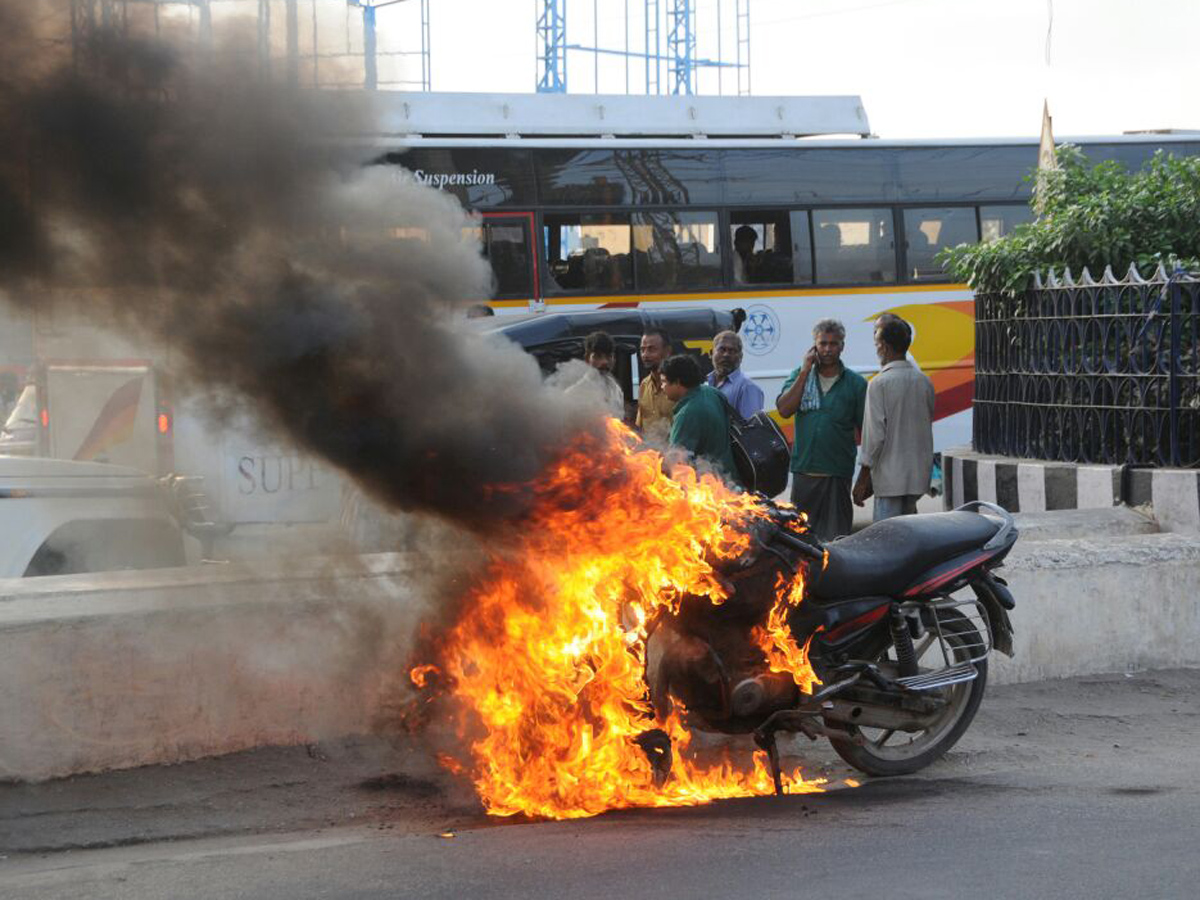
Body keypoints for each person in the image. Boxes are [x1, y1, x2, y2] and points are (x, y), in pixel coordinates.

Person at [775, 318, 867, 541]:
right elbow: (785, 409)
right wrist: (805, 371)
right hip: (805, 472)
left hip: (838, 473)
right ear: (814, 346)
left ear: (842, 346)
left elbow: (868, 432)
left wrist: (865, 477)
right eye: (822, 343)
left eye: (833, 344)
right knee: (802, 540)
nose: (827, 349)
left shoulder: (855, 383)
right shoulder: (801, 375)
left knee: (839, 541)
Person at [853, 314, 935, 520]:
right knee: (910, 536)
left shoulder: (879, 384)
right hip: (917, 477)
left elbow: (874, 437)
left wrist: (863, 478)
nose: (876, 349)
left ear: (885, 347)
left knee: (886, 541)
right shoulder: (924, 382)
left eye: (877, 344)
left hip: (890, 480)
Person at [662, 354, 739, 483]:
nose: (662, 387)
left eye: (664, 382)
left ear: (677, 382)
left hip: (711, 488)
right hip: (731, 479)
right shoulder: (712, 392)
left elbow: (677, 463)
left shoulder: (687, 414)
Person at [706, 331, 764, 419]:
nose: (726, 355)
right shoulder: (705, 384)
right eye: (722, 349)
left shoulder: (748, 388)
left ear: (741, 357)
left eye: (732, 351)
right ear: (712, 353)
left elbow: (752, 430)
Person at [568, 331, 625, 418]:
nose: (604, 362)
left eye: (609, 356)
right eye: (598, 356)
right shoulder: (574, 393)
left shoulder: (616, 389)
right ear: (587, 359)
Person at [636, 328, 675, 441]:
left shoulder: (678, 386)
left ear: (667, 351)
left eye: (651, 349)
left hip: (676, 455)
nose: (645, 355)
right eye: (642, 350)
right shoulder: (644, 385)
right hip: (650, 456)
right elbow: (640, 426)